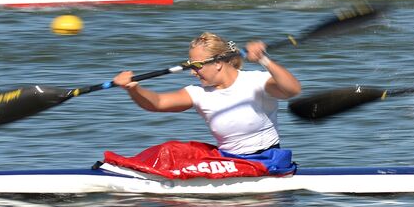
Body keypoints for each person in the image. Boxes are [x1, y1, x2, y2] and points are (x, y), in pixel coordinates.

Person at [110, 33, 301, 174]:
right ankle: (127, 171)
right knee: (170, 150)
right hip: (228, 161)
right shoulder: (199, 93)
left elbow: (292, 89)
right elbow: (157, 103)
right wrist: (133, 89)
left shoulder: (256, 82)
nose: (193, 72)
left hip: (265, 161)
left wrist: (264, 59)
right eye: (190, 66)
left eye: (197, 66)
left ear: (218, 63)